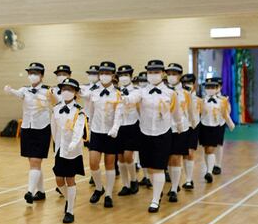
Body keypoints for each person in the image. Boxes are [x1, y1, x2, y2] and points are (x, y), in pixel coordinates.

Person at [123, 59, 183, 213]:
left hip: (163, 133)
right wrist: (125, 99)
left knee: (158, 167)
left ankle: (155, 200)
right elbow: (132, 99)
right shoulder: (141, 91)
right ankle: (159, 188)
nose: (153, 75)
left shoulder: (170, 93)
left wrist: (179, 126)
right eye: (150, 72)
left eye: (156, 72)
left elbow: (176, 112)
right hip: (145, 133)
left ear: (162, 73)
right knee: (149, 167)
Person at [4, 63, 53, 204]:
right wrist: (10, 90)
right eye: (30, 72)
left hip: (42, 129)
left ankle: (30, 192)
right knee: (34, 163)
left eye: (35, 73)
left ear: (42, 75)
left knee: (35, 161)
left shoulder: (48, 91)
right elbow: (18, 94)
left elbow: (57, 102)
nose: (32, 75)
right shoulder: (24, 90)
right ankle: (41, 192)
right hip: (27, 128)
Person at [78, 61, 123, 208]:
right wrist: (90, 127)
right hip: (97, 132)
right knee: (93, 163)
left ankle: (109, 194)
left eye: (107, 73)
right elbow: (90, 110)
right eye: (102, 73)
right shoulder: (93, 92)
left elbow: (119, 113)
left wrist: (116, 127)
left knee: (110, 165)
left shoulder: (118, 93)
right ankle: (99, 188)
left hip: (111, 133)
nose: (104, 76)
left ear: (113, 75)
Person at [51, 78, 87, 224]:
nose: (66, 92)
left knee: (70, 179)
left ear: (75, 93)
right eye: (64, 89)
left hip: (72, 150)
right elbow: (54, 127)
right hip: (60, 148)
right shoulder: (55, 108)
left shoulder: (80, 111)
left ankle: (70, 210)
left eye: (70, 89)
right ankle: (69, 199)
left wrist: (73, 143)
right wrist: (55, 144)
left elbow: (79, 130)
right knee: (59, 180)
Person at [199, 77, 235, 182]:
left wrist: (231, 125)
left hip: (217, 126)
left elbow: (226, 114)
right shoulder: (202, 101)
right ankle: (208, 168)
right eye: (208, 87)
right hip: (204, 126)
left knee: (211, 148)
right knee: (206, 149)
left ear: (217, 88)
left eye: (212, 87)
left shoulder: (222, 101)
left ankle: (210, 171)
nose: (210, 89)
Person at [164, 63, 190, 203]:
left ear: (180, 75)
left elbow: (191, 112)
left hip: (180, 129)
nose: (171, 76)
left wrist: (190, 127)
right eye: (169, 74)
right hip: (165, 128)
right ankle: (173, 183)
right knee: (167, 158)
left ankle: (174, 188)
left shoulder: (186, 93)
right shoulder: (163, 91)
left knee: (175, 158)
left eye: (174, 74)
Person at [115, 64, 140, 196]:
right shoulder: (115, 90)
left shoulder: (136, 90)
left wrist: (123, 97)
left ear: (130, 76)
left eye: (126, 75)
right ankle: (125, 184)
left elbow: (132, 100)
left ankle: (134, 180)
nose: (123, 78)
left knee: (128, 155)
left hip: (132, 124)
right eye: (121, 75)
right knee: (120, 157)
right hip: (119, 125)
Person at [180, 73, 201, 190]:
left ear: (194, 84)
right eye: (185, 83)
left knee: (190, 152)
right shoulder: (179, 96)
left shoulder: (196, 99)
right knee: (180, 154)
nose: (187, 85)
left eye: (189, 83)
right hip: (181, 126)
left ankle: (189, 180)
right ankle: (178, 181)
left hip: (193, 126)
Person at [212, 76, 227, 175]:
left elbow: (227, 112)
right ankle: (210, 166)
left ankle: (218, 165)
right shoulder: (206, 98)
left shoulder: (224, 98)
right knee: (209, 145)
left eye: (218, 86)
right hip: (208, 123)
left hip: (220, 123)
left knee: (219, 144)